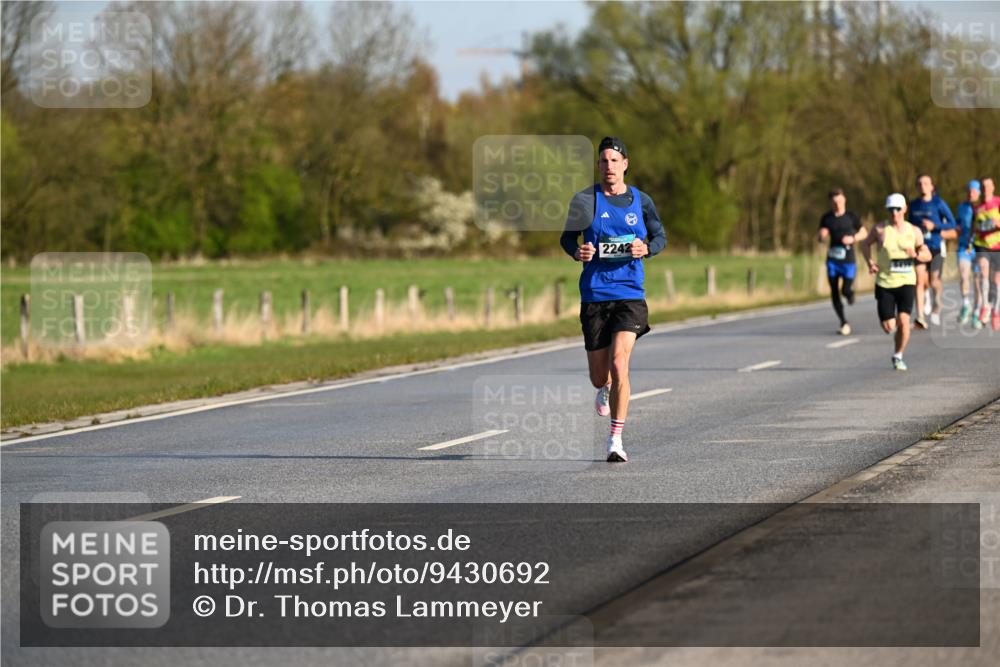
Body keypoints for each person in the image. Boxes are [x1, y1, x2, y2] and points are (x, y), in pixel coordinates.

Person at [560, 136, 667, 462]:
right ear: (598, 165)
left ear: (625, 164)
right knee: (599, 376)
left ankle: (615, 440)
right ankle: (605, 387)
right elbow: (567, 238)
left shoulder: (641, 200)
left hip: (629, 294)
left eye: (614, 161)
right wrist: (577, 251)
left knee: (620, 362)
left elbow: (660, 236)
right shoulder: (584, 201)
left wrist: (646, 248)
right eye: (604, 161)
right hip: (595, 294)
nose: (609, 166)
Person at [862, 193, 931, 371]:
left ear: (905, 209)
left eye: (898, 209)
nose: (894, 213)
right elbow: (865, 244)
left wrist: (916, 254)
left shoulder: (914, 231)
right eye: (891, 209)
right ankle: (896, 331)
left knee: (904, 321)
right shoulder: (880, 229)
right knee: (889, 326)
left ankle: (898, 355)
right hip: (885, 283)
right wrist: (870, 263)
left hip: (907, 282)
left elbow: (927, 255)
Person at [908, 174, 957, 327]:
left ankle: (937, 306)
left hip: (936, 246)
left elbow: (952, 223)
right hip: (920, 247)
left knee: (934, 281)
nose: (922, 186)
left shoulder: (938, 203)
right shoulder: (914, 205)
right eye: (920, 183)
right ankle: (920, 316)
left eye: (926, 183)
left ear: (931, 186)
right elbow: (908, 225)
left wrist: (934, 226)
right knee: (919, 280)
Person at [818, 187, 866, 335]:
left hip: (848, 260)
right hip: (833, 260)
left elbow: (864, 233)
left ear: (844, 200)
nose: (837, 204)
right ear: (830, 203)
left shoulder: (851, 216)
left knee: (845, 290)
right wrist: (821, 235)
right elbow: (820, 235)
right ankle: (843, 322)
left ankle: (850, 294)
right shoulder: (827, 218)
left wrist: (853, 238)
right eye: (834, 202)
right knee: (834, 290)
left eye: (839, 201)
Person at [972, 176, 1000, 331]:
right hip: (981, 245)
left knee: (996, 281)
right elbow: (974, 226)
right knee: (983, 275)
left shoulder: (998, 202)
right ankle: (985, 306)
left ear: (993, 187)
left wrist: (997, 224)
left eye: (988, 186)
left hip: (997, 245)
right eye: (983, 186)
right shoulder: (977, 207)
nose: (986, 189)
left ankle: (996, 311)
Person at [954, 180, 982, 324]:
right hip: (964, 247)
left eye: (974, 191)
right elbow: (957, 223)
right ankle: (966, 304)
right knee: (964, 276)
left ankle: (977, 312)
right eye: (969, 191)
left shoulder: (984, 207)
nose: (971, 194)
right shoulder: (962, 207)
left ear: (979, 193)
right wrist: (956, 228)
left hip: (979, 248)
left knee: (978, 281)